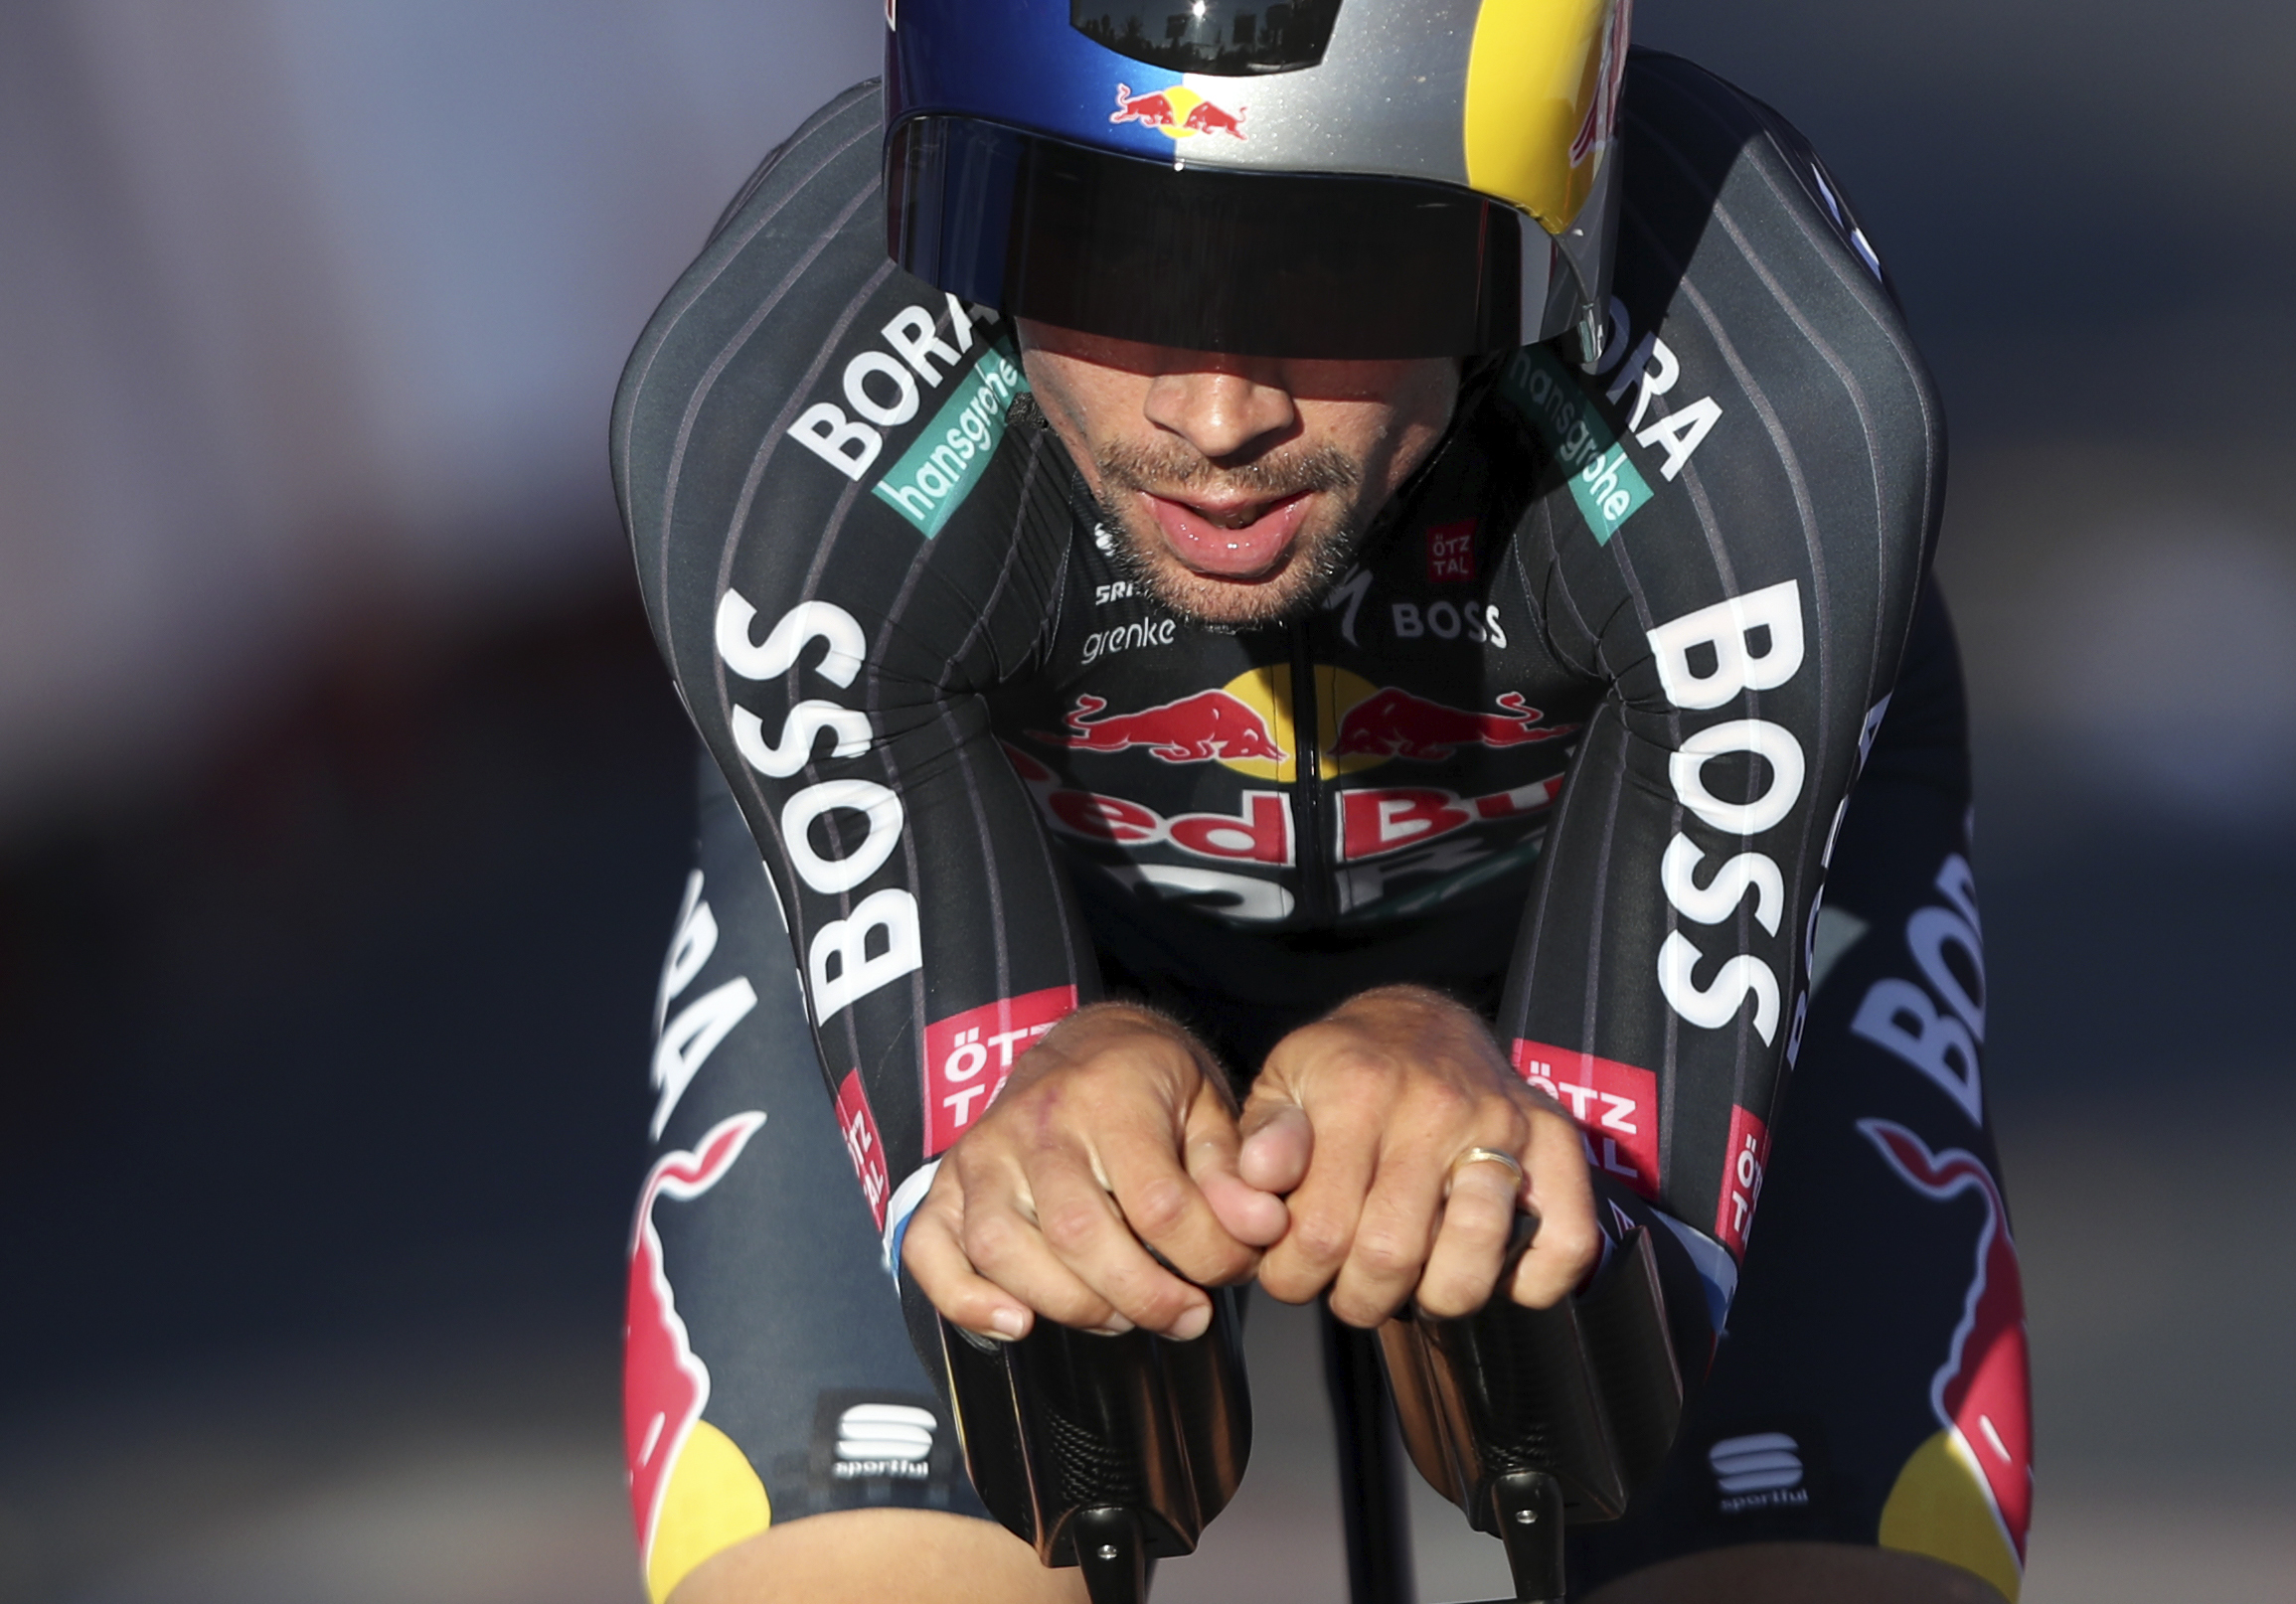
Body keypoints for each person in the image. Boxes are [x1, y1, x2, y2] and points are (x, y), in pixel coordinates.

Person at [613, 3, 2029, 1601]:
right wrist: (1043, 1084)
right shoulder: (778, 440)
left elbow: (1611, 1334)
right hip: (1024, 889)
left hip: (1611, 901)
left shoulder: (1778, 419)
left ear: (1537, 229)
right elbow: (1010, 1289)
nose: (1218, 420)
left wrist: (1495, 1133)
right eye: (1092, 241)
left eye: (1343, 265)